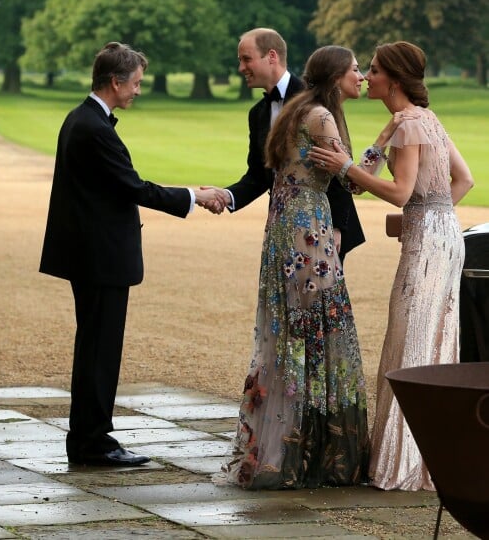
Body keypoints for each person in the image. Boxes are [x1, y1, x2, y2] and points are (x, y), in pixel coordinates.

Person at [39, 42, 225, 466]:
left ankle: (88, 437)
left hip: (92, 256)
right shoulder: (92, 127)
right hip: (99, 258)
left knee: (95, 349)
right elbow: (133, 186)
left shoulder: (83, 120)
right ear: (115, 82)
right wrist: (194, 195)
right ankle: (94, 443)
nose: (139, 90)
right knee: (100, 351)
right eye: (136, 83)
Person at [309, 41, 474, 491]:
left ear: (394, 81)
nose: (366, 76)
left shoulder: (410, 125)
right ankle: (430, 460)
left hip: (427, 248)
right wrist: (378, 146)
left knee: (411, 343)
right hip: (445, 236)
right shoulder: (421, 120)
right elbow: (464, 179)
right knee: (431, 340)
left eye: (375, 70)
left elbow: (398, 191)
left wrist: (345, 166)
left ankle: (403, 467)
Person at [220, 45, 379, 490]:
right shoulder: (322, 117)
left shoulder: (296, 110)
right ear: (335, 77)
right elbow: (353, 180)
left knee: (291, 330)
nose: (361, 76)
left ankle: (283, 446)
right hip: (308, 230)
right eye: (354, 70)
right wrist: (382, 145)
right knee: (319, 330)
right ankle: (314, 452)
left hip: (285, 229)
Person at [203, 27, 364, 262]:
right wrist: (226, 196)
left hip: (324, 225)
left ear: (271, 56)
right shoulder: (257, 113)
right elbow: (259, 175)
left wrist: (337, 227)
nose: (240, 68)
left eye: (246, 59)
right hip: (283, 222)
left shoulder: (315, 100)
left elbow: (337, 164)